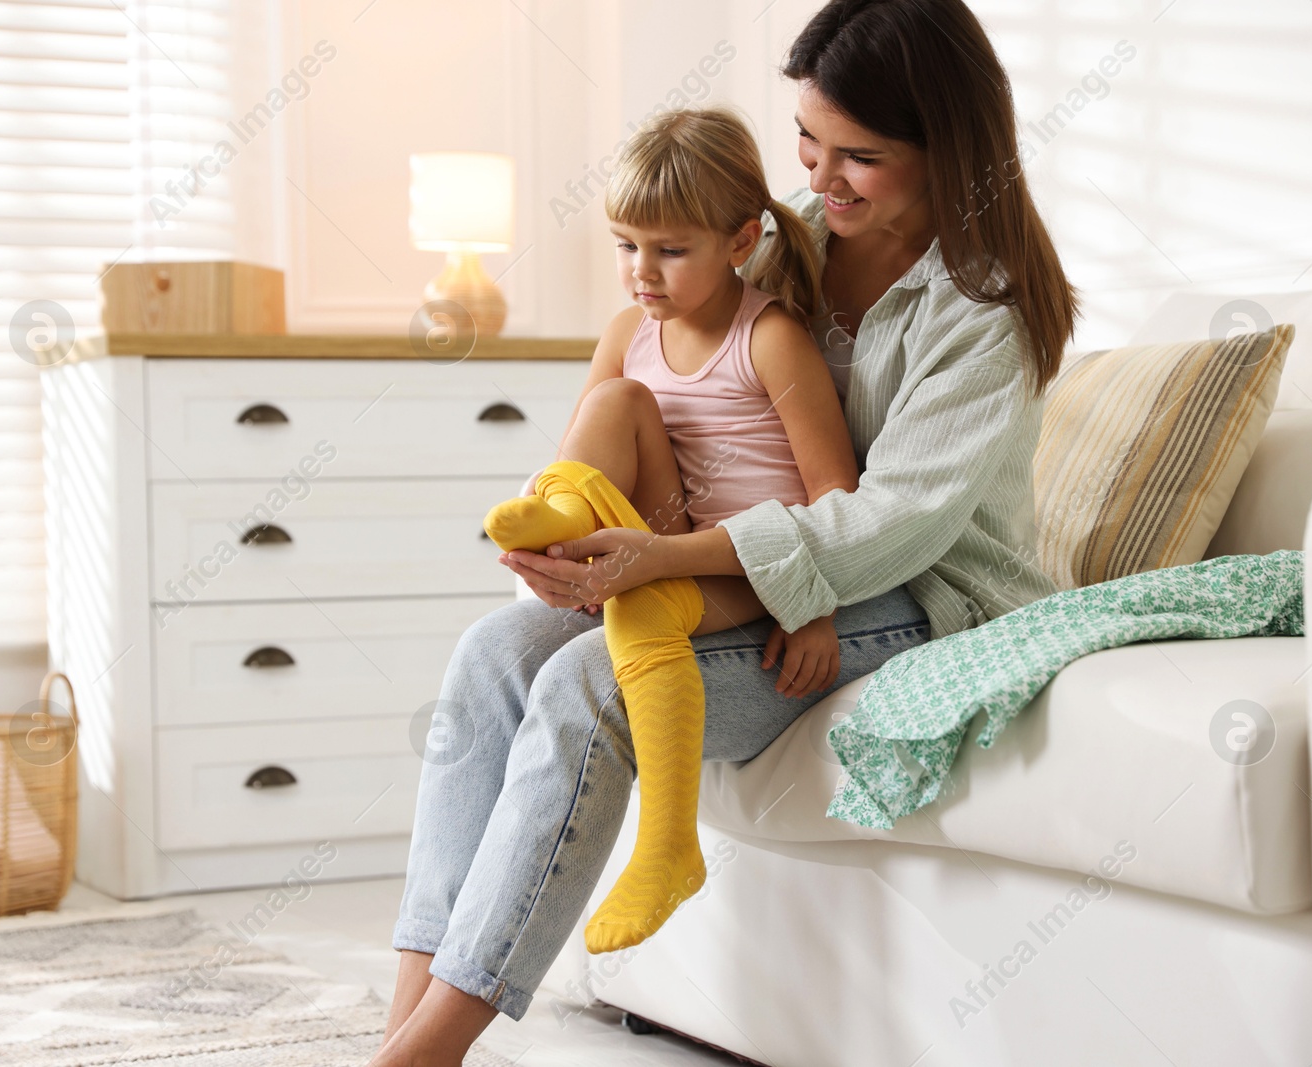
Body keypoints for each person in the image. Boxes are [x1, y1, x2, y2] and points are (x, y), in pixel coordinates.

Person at [371, 1, 1075, 1063]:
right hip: (730, 561)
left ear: (948, 151)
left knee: (591, 688)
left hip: (916, 597)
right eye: (808, 138)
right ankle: (405, 1017)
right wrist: (596, 525)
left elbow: (890, 522)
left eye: (862, 157)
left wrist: (672, 560)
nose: (822, 176)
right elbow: (662, 373)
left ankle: (428, 1052)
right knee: (492, 653)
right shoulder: (779, 237)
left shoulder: (987, 310)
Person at [480, 104, 854, 957]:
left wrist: (815, 605)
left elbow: (836, 493)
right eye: (625, 245)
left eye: (669, 249)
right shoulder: (628, 332)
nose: (641, 271)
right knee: (615, 401)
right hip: (652, 535)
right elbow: (598, 440)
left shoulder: (772, 338)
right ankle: (563, 520)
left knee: (645, 608)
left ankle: (667, 845)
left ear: (740, 240)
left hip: (743, 569)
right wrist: (579, 509)